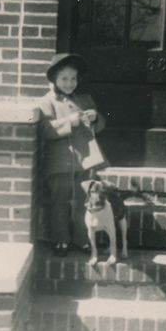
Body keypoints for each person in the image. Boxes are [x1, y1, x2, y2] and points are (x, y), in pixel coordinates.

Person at [39, 53, 106, 257]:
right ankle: (60, 239)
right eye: (64, 79)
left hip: (85, 161)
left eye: (73, 79)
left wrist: (95, 118)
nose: (69, 83)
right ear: (54, 80)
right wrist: (71, 122)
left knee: (83, 200)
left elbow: (101, 125)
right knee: (60, 201)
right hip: (60, 163)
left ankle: (82, 238)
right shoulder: (47, 102)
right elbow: (46, 130)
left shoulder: (84, 99)